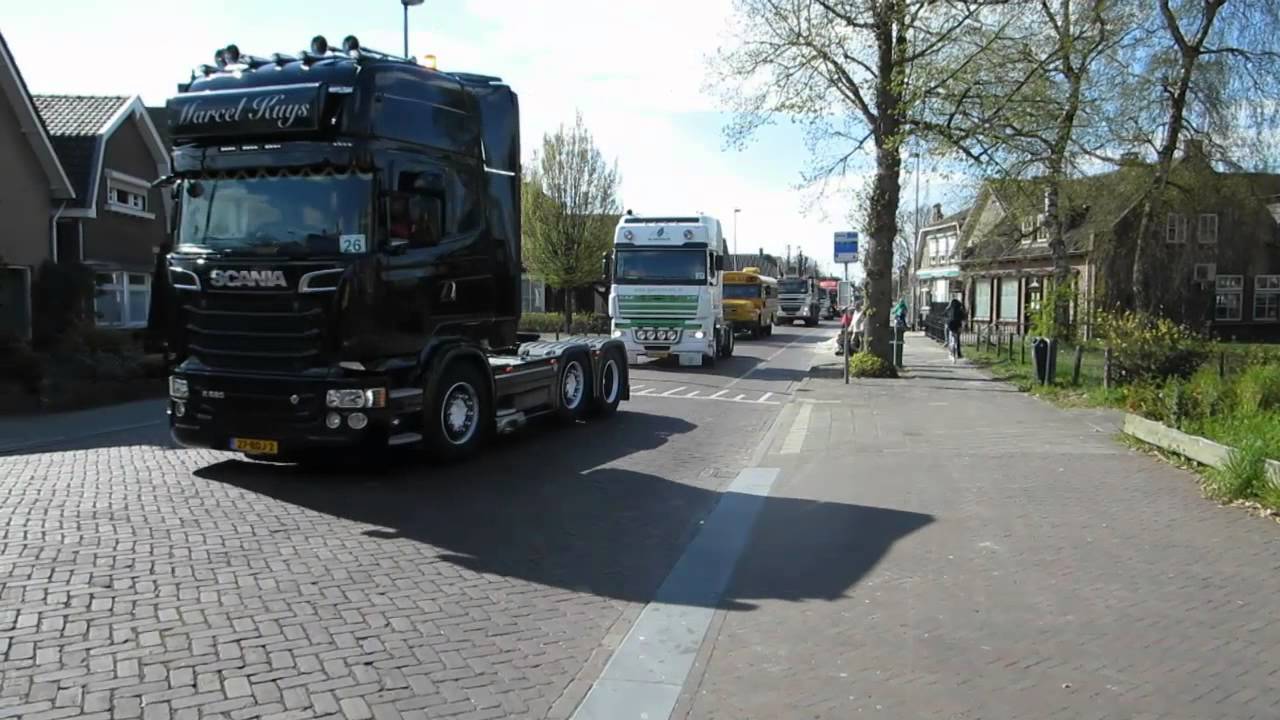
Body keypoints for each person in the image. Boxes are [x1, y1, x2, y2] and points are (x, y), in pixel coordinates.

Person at [944, 296, 968, 362]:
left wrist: (946, 320)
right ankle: (959, 353)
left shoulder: (948, 308)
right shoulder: (960, 309)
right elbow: (964, 317)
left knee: (946, 329)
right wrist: (963, 325)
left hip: (950, 325)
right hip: (957, 326)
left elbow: (944, 315)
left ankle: (946, 341)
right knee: (957, 339)